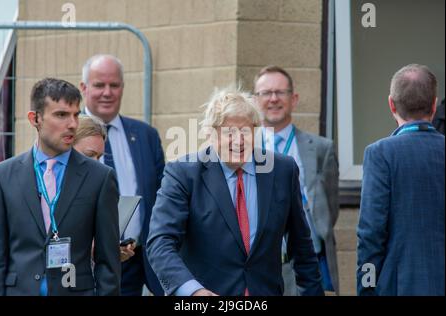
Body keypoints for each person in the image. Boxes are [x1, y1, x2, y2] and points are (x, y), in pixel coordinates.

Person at [146, 86, 324, 296]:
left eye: (245, 131)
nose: (239, 141)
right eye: (229, 132)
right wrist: (193, 292)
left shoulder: (282, 170)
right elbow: (160, 243)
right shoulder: (183, 173)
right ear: (210, 134)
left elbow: (302, 246)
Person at [0, 78, 121, 296]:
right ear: (35, 119)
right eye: (61, 115)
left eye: (75, 114)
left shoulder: (100, 177)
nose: (72, 123)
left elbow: (108, 263)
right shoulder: (3, 175)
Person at [80, 54, 165, 296]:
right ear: (84, 88)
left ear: (123, 88)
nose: (107, 92)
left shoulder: (146, 135)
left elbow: (161, 196)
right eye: (99, 85)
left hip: (136, 261)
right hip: (86, 264)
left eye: (114, 85)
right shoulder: (70, 134)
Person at [357, 64, 445, 296]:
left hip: (398, 286)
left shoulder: (379, 153)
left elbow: (371, 234)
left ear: (391, 104)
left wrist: (365, 289)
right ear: (434, 105)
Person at [253, 66, 339, 295]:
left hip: (304, 266)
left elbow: (329, 208)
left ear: (294, 98)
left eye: (280, 92)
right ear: (255, 99)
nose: (273, 99)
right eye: (266, 93)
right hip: (256, 266)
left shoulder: (321, 149)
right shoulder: (243, 149)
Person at [73, 114, 136, 263]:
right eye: (89, 155)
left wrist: (111, 251)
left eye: (99, 157)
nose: (96, 164)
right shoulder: (46, 189)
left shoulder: (97, 189)